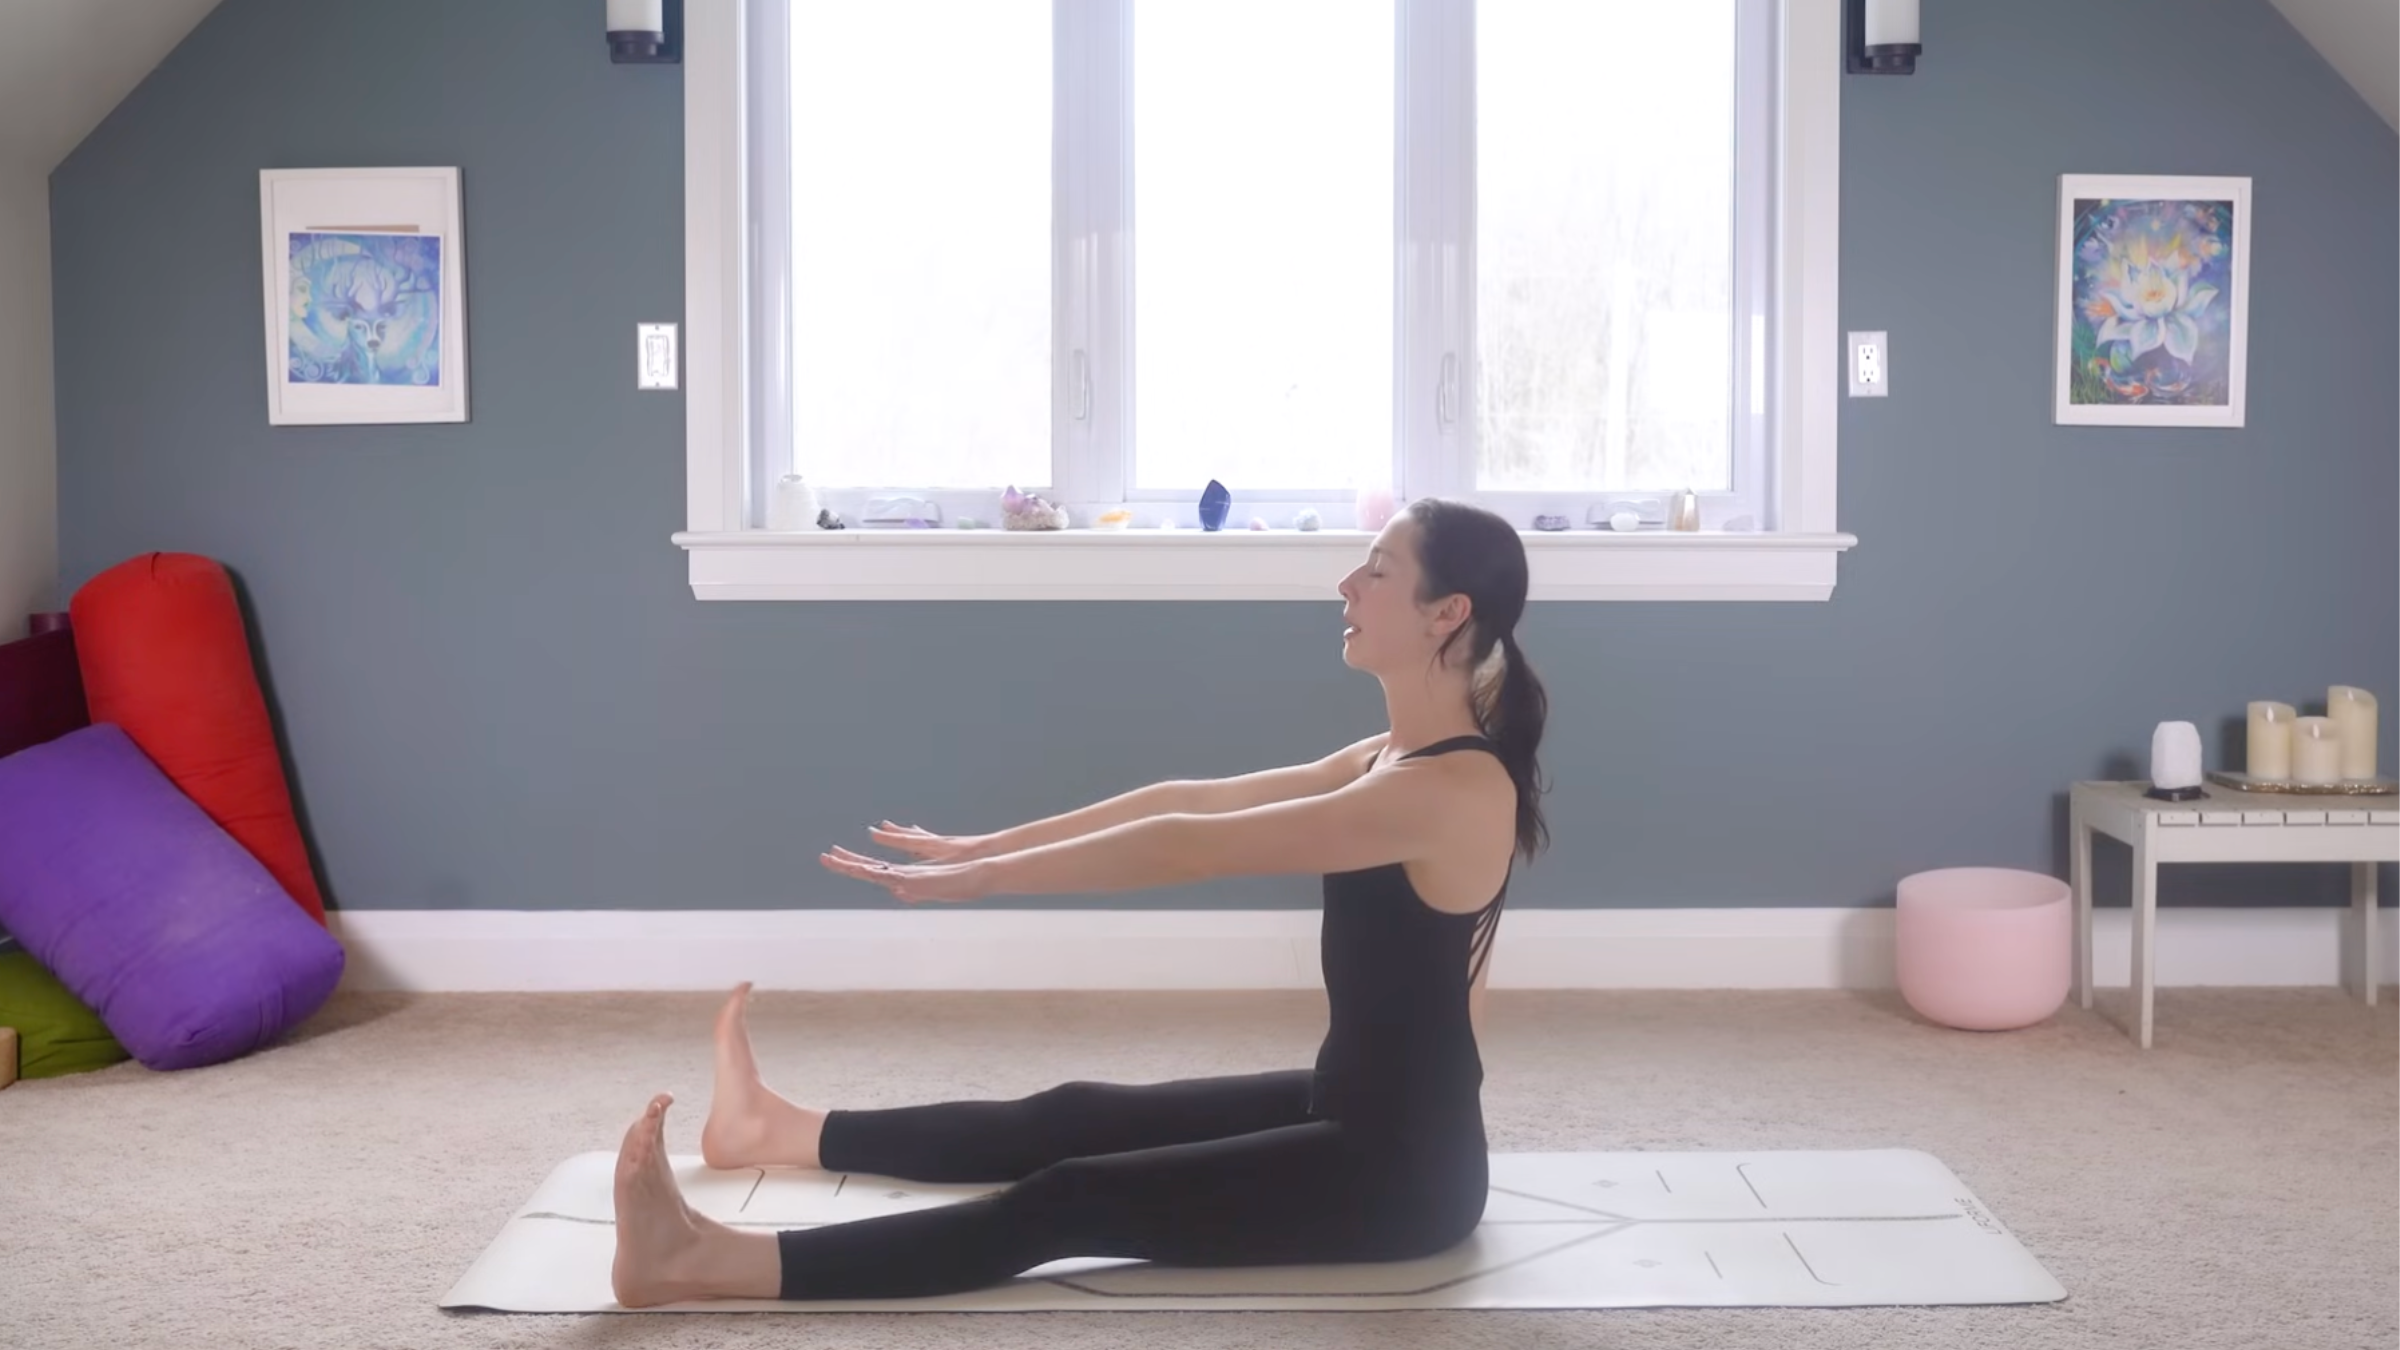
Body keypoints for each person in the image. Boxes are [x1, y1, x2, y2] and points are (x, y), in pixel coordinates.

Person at [607, 497, 1551, 1306]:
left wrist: (984, 882)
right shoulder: (1386, 759)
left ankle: (705, 1260)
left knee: (1067, 1198)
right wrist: (988, 844)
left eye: (1378, 570)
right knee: (1071, 1113)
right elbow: (1188, 799)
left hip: (1399, 1176)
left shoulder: (1446, 793)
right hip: (1344, 1106)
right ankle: (778, 1132)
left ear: (1447, 613)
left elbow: (1194, 847)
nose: (1347, 583)